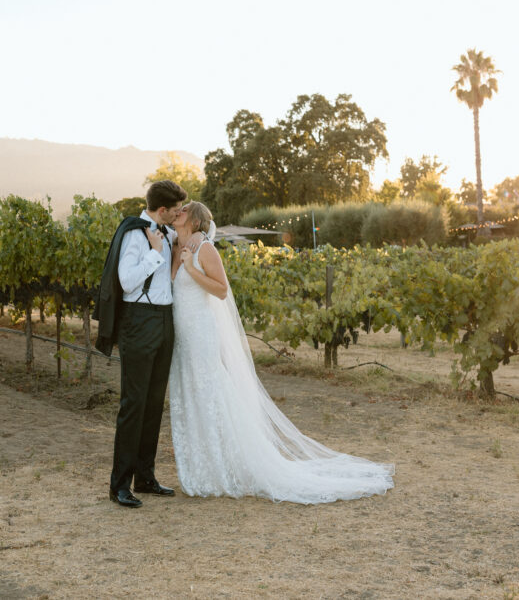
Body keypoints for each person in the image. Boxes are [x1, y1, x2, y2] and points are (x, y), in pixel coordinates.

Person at [167, 201, 394, 503]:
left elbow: (221, 290)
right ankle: (200, 467)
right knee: (190, 395)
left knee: (211, 394)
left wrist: (192, 269)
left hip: (201, 332)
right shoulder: (174, 245)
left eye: (182, 210)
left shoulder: (204, 249)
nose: (176, 212)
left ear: (193, 220)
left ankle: (225, 467)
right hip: (182, 336)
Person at [96, 180, 188, 509]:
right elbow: (127, 281)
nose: (179, 214)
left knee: (153, 404)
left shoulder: (167, 231)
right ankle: (119, 484)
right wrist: (155, 254)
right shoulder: (136, 234)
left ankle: (145, 477)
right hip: (139, 321)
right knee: (133, 404)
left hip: (165, 321)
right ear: (161, 210)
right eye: (175, 209)